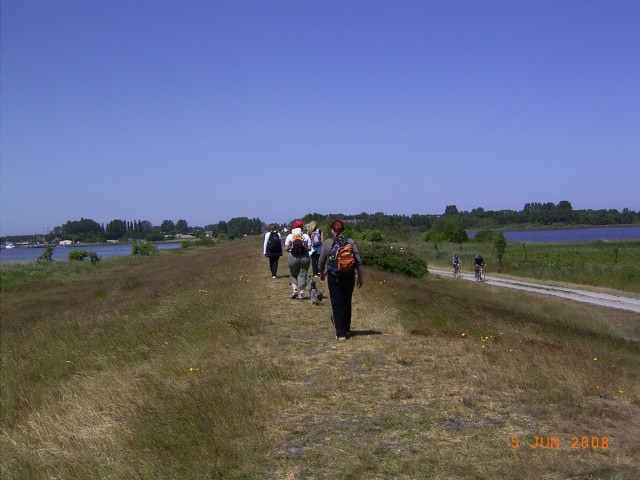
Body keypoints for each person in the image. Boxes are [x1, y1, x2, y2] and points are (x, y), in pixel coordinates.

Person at [319, 219, 364, 341]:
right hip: (349, 276)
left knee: (337, 303)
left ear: (332, 230)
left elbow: (322, 260)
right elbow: (358, 261)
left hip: (334, 277)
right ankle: (347, 328)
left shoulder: (328, 243)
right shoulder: (350, 242)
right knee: (346, 301)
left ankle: (340, 333)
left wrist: (321, 272)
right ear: (343, 230)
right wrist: (360, 277)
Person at [284, 219, 312, 299]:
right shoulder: (306, 236)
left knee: (293, 273)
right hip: (304, 257)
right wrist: (303, 247)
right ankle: (301, 293)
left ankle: (294, 290)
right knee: (303, 274)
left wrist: (292, 247)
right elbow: (309, 248)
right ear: (301, 227)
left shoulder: (290, 236)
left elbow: (286, 248)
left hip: (293, 257)